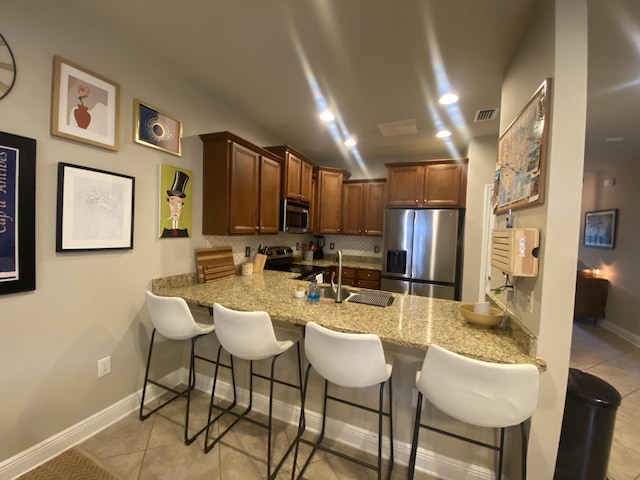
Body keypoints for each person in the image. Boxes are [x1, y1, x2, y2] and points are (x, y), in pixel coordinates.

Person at [161, 170, 190, 238]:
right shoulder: (164, 231)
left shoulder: (185, 232)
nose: (175, 209)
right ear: (168, 204)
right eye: (173, 204)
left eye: (179, 205)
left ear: (182, 206)